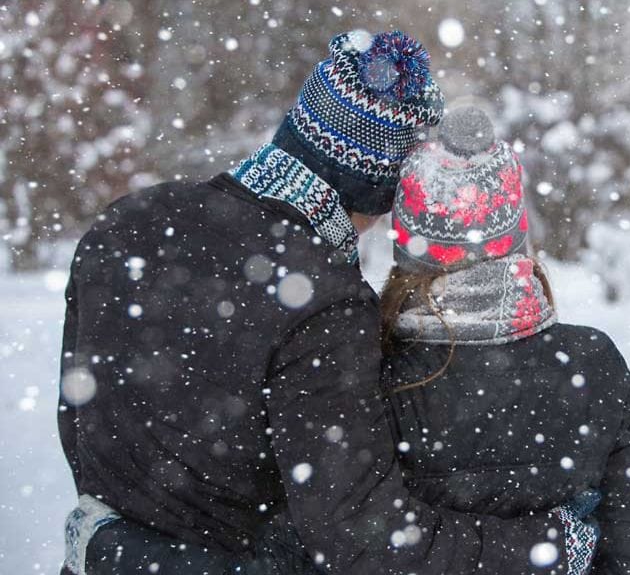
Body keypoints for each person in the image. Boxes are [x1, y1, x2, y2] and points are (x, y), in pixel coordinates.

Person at [59, 31, 597, 575]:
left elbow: (82, 430)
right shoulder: (326, 304)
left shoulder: (125, 224)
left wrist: (120, 549)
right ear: (383, 188)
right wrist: (552, 543)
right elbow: (367, 539)